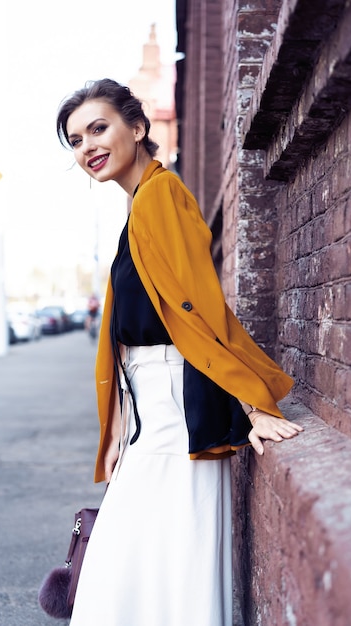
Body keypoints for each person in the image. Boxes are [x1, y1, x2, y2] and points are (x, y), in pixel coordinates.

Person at [56, 78, 303, 626]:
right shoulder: (141, 206)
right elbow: (130, 330)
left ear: (138, 128)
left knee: (140, 574)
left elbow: (198, 310)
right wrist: (122, 421)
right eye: (75, 140)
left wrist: (254, 400)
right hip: (151, 410)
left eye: (99, 128)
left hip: (174, 405)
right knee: (147, 571)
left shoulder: (161, 197)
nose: (87, 147)